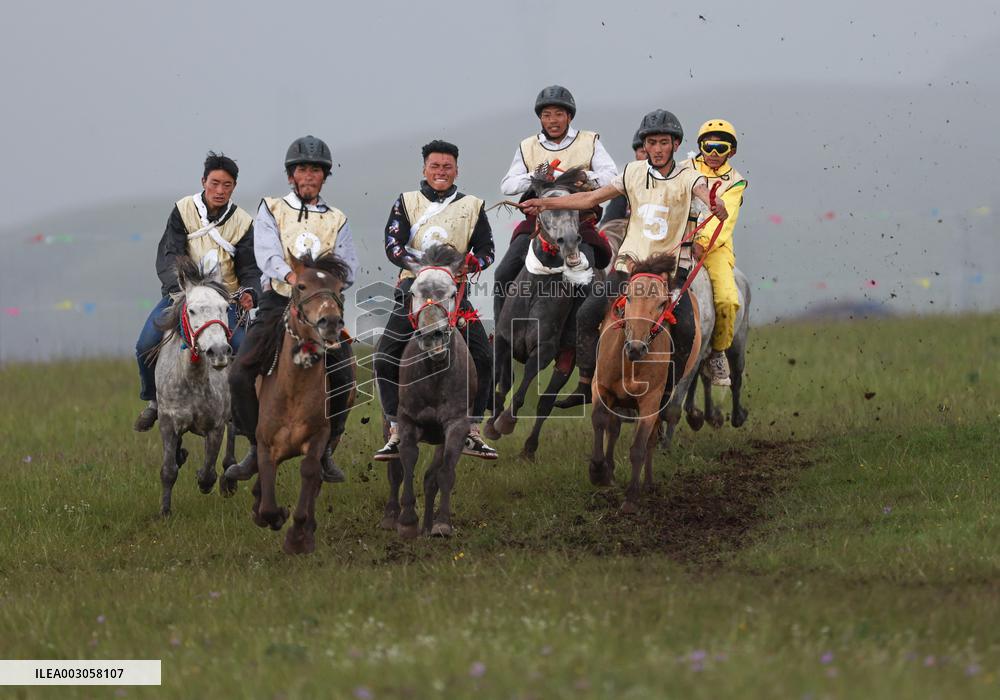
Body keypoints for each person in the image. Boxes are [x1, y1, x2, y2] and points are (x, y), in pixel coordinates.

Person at [521, 109, 729, 405]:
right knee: (587, 313)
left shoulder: (689, 176)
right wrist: (544, 202)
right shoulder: (631, 173)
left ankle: (668, 391)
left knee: (685, 327)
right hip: (629, 266)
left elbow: (704, 191)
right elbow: (591, 199)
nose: (656, 149)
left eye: (663, 143)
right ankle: (585, 383)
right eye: (651, 143)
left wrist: (715, 202)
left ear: (675, 145)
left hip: (669, 271)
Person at [228, 135, 359, 483]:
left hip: (320, 309)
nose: (309, 175)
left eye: (316, 170)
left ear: (324, 177)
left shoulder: (337, 218)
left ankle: (327, 447)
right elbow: (267, 253)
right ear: (291, 176)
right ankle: (255, 447)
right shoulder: (272, 208)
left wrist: (322, 292)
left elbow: (348, 266)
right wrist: (293, 277)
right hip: (279, 302)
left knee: (346, 375)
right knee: (240, 372)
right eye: (302, 169)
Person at [373, 139, 498, 461]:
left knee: (484, 356)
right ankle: (395, 427)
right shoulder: (406, 201)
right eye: (435, 166)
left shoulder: (472, 205)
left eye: (447, 167)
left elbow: (487, 251)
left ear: (456, 170)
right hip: (413, 290)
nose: (441, 172)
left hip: (453, 295)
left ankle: (472, 428)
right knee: (385, 355)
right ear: (424, 169)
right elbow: (393, 246)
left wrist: (473, 264)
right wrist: (427, 266)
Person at [134, 151, 260, 432]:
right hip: (183, 297)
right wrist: (179, 289)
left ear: (234, 187)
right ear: (203, 181)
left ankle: (239, 413)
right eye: (214, 183)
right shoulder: (183, 210)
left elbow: (249, 268)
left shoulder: (242, 222)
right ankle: (154, 401)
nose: (219, 190)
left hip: (225, 302)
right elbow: (169, 254)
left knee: (244, 351)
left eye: (227, 185)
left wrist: (251, 291)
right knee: (145, 345)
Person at [493, 85, 618, 323]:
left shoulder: (589, 140)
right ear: (540, 118)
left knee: (591, 281)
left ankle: (583, 338)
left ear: (569, 116)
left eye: (559, 114)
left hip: (580, 221)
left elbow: (611, 176)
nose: (553, 120)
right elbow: (507, 185)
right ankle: (500, 335)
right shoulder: (527, 146)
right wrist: (538, 176)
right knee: (503, 273)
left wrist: (583, 177)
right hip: (538, 224)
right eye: (547, 115)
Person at [683, 119, 748, 385]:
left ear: (731, 152)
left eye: (721, 148)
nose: (713, 153)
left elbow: (726, 220)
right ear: (700, 146)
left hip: (715, 248)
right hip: (679, 238)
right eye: (708, 146)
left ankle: (717, 353)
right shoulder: (683, 169)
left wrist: (702, 243)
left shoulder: (736, 182)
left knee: (728, 300)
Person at [600, 129, 647, 225]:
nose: (648, 157)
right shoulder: (627, 180)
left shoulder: (675, 181)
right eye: (643, 152)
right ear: (636, 155)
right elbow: (610, 222)